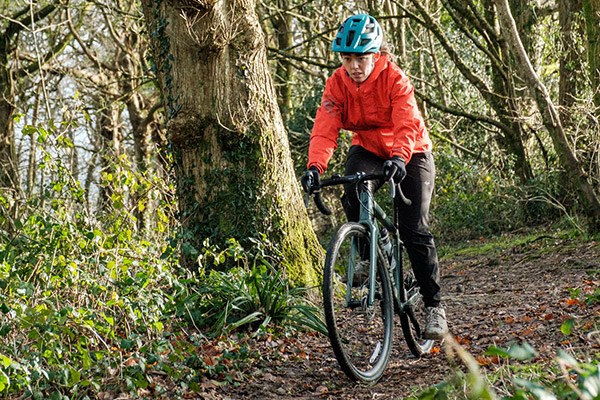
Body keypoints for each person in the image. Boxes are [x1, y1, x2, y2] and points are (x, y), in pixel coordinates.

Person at [301, 13, 448, 340]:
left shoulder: (394, 79)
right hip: (368, 148)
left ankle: (434, 305)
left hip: (411, 150)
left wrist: (399, 157)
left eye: (361, 57)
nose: (354, 65)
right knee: (352, 191)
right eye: (347, 58)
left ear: (377, 54)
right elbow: (325, 129)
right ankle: (373, 249)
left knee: (414, 229)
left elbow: (407, 124)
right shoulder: (337, 83)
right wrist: (315, 167)